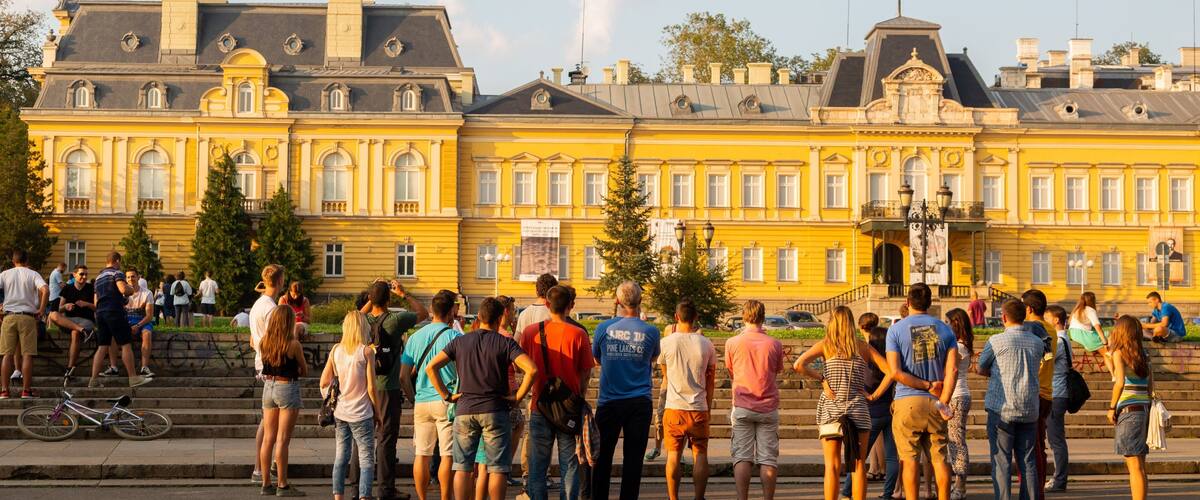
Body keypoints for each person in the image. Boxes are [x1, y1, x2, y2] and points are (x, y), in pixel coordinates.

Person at [426, 297, 537, 500]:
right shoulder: (505, 343)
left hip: (465, 409)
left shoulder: (459, 341)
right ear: (500, 318)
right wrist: (517, 397)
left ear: (479, 317)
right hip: (495, 410)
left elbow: (431, 367)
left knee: (462, 467)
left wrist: (447, 395)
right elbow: (532, 369)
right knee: (497, 469)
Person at [795, 306, 892, 500]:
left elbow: (799, 365)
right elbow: (890, 371)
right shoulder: (863, 347)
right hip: (857, 408)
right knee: (858, 464)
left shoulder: (826, 345)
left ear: (832, 322)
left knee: (831, 465)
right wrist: (874, 396)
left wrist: (822, 379)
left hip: (831, 409)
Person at [884, 283, 959, 500]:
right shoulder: (946, 329)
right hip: (936, 401)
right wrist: (943, 400)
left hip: (907, 400)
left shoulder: (896, 329)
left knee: (909, 459)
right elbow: (952, 369)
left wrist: (924, 385)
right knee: (939, 458)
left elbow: (895, 372)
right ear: (930, 303)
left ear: (907, 303)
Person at [521, 286, 595, 500]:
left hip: (540, 405)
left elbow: (521, 366)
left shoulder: (531, 332)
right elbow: (586, 372)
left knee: (537, 466)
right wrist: (579, 396)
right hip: (569, 409)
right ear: (570, 305)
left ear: (546, 304)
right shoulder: (579, 334)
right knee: (569, 464)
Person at [591, 281, 660, 500]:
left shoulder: (603, 328)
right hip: (639, 401)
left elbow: (597, 358)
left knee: (602, 458)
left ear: (618, 301)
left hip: (609, 401)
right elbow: (653, 358)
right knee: (633, 460)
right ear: (640, 301)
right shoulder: (651, 331)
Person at [364, 279, 428, 500]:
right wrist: (404, 293)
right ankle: (386, 490)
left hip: (365, 387)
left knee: (362, 439)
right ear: (389, 299)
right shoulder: (395, 320)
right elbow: (423, 312)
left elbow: (353, 315)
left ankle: (359, 489)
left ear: (370, 299)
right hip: (387, 388)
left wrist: (370, 299)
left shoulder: (360, 321)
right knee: (386, 440)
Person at [977, 299, 1045, 500]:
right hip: (1029, 408)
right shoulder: (1037, 342)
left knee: (1001, 461)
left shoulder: (996, 341)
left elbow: (981, 367)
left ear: (1004, 317)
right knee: (1028, 461)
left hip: (1001, 409)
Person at [400, 290, 462, 500]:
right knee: (447, 455)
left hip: (422, 401)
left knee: (422, 455)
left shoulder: (415, 337)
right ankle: (445, 497)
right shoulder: (455, 336)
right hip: (446, 400)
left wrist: (413, 397)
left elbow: (403, 376)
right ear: (451, 312)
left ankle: (422, 497)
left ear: (433, 311)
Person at [725, 300, 784, 500]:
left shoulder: (732, 343)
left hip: (742, 405)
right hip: (767, 406)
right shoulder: (775, 344)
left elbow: (731, 371)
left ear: (743, 316)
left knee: (742, 456)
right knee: (768, 458)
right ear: (763, 316)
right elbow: (776, 371)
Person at [654, 300, 714, 500]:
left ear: (676, 317)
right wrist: (709, 408)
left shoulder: (665, 343)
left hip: (674, 408)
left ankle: (673, 498)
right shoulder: (706, 344)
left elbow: (665, 374)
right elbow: (710, 380)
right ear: (696, 317)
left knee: (673, 456)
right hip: (699, 408)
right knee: (701, 454)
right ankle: (698, 497)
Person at [323, 311, 381, 500]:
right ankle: (364, 496)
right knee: (366, 459)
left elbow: (324, 381)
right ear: (362, 327)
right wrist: (378, 412)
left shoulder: (335, 350)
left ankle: (338, 497)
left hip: (341, 411)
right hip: (362, 413)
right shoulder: (366, 352)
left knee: (341, 457)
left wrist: (332, 397)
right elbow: (372, 387)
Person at [840, 314, 898, 500]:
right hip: (890, 411)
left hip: (870, 413)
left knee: (858, 456)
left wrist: (872, 396)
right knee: (891, 457)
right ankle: (887, 493)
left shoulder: (866, 364)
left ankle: (847, 491)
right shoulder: (891, 362)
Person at [258, 305, 307, 497]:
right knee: (282, 440)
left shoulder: (264, 342)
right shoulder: (293, 345)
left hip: (268, 387)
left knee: (268, 438)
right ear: (289, 322)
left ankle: (265, 484)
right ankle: (282, 485)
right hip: (287, 387)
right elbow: (304, 370)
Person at [87, 252, 151, 389]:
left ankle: (93, 380)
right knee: (126, 344)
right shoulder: (117, 273)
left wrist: (122, 299)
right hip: (114, 312)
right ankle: (133, 378)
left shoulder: (98, 277)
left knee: (102, 346)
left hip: (101, 313)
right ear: (117, 261)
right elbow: (123, 289)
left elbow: (97, 299)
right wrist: (131, 290)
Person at [1107, 315, 1153, 500]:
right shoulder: (1144, 354)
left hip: (1128, 411)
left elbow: (1119, 383)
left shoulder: (1119, 353)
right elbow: (1150, 386)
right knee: (1141, 466)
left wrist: (1111, 408)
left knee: (1133, 467)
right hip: (1143, 409)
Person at [250, 264, 286, 484]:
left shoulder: (258, 304)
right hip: (273, 365)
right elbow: (278, 339)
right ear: (280, 281)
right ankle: (263, 468)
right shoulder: (271, 308)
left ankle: (260, 467)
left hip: (262, 362)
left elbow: (254, 339)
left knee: (267, 420)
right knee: (271, 422)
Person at [1023, 289, 1057, 500]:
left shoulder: (1028, 329)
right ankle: (1039, 489)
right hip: (1047, 393)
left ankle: (1033, 491)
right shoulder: (1051, 330)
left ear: (1028, 308)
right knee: (1039, 446)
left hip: (1031, 393)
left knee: (1028, 449)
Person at [0, 249, 48, 399]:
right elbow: (45, 290)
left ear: (13, 261)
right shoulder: (33, 274)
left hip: (9, 316)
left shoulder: (5, 274)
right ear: (27, 261)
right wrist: (41, 310)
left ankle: (4, 390)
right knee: (27, 355)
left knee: (7, 355)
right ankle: (26, 391)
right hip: (27, 317)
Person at [943, 308, 974, 500]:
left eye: (947, 322)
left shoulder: (959, 348)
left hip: (956, 396)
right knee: (954, 440)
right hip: (958, 395)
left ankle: (960, 484)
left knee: (956, 441)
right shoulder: (960, 345)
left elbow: (950, 371)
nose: (945, 326)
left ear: (955, 323)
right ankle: (957, 482)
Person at [49, 265, 97, 377]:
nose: (84, 277)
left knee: (75, 333)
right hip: (70, 320)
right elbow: (59, 309)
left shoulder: (91, 288)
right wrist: (65, 307)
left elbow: (97, 307)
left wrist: (87, 304)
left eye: (86, 274)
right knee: (53, 314)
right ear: (74, 274)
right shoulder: (67, 288)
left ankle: (70, 368)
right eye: (81, 274)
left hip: (86, 320)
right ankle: (82, 330)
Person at [1044, 305, 1072, 493]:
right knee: (1056, 438)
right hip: (1058, 392)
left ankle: (1060, 479)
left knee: (1056, 440)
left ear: (1056, 320)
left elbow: (1046, 360)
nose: (1044, 320)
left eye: (1046, 317)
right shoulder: (1063, 338)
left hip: (1056, 393)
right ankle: (1059, 477)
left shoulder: (1059, 341)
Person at [1068, 291, 1112, 375]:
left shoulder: (1076, 310)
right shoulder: (1090, 310)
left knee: (1106, 333)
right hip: (1085, 336)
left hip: (1073, 334)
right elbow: (1097, 327)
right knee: (1107, 352)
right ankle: (1114, 374)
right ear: (1092, 300)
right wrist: (1104, 342)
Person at [125, 269, 156, 377]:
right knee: (114, 335)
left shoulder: (147, 293)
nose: (130, 279)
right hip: (126, 320)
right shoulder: (122, 293)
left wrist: (138, 325)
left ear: (138, 277)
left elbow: (149, 316)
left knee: (147, 333)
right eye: (128, 277)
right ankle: (114, 367)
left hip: (142, 320)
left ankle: (144, 367)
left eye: (133, 276)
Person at [515, 273, 557, 342]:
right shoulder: (554, 314)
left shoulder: (523, 314)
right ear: (553, 292)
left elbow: (516, 342)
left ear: (537, 291)